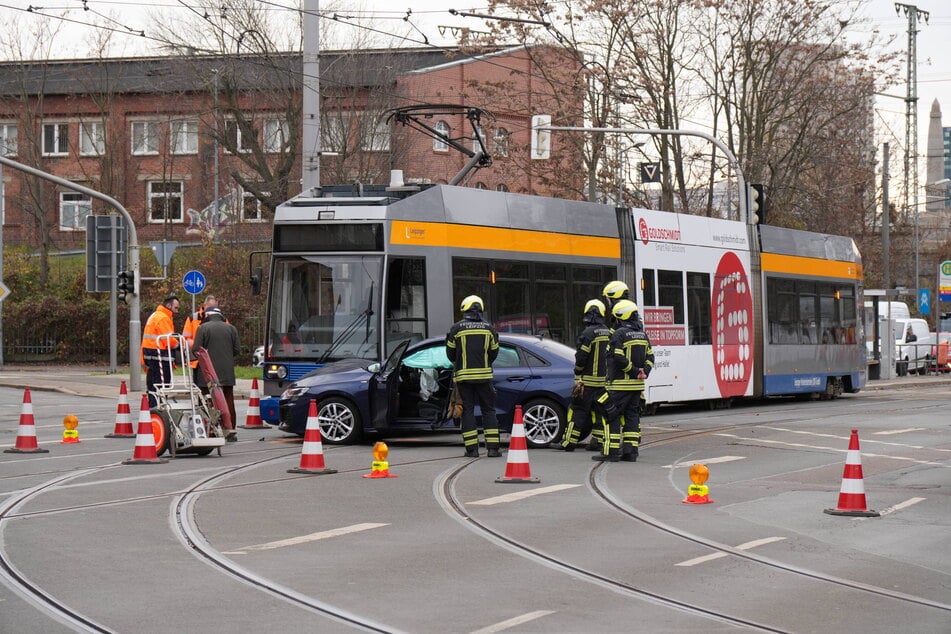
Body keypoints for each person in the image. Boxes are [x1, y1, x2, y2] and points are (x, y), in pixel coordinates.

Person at [594, 299, 653, 462]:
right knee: (632, 417)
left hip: (620, 385)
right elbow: (650, 357)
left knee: (610, 414)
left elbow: (618, 357)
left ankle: (611, 452)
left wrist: (633, 372)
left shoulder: (619, 333)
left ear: (620, 316)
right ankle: (631, 452)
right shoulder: (642, 334)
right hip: (637, 386)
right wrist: (644, 373)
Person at [446, 295, 501, 458]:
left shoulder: (456, 328)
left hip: (463, 378)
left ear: (465, 309)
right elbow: (494, 353)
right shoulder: (489, 328)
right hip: (484, 378)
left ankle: (472, 450)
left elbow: (450, 354)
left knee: (467, 411)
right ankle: (492, 449)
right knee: (489, 410)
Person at [557, 299, 611, 451]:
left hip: (586, 382)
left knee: (577, 412)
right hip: (603, 384)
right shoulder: (608, 332)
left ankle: (569, 442)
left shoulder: (587, 333)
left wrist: (578, 371)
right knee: (600, 413)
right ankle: (597, 442)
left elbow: (581, 357)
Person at [193, 307, 241, 441]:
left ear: (208, 315)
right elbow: (237, 350)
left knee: (208, 400)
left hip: (207, 373)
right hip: (227, 372)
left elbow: (196, 349)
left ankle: (211, 431)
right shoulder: (231, 328)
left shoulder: (203, 328)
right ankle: (230, 429)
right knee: (228, 400)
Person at [141, 293, 181, 407]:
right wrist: (180, 346)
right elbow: (169, 339)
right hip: (159, 355)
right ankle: (159, 409)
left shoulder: (155, 315)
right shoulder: (163, 317)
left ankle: (152, 409)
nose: (177, 311)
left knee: (153, 385)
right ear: (169, 306)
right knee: (162, 385)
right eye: (176, 308)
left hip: (150, 355)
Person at [182, 295, 219, 378]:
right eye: (211, 307)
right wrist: (196, 346)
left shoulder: (221, 318)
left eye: (214, 307)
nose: (213, 309)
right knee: (199, 382)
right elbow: (185, 339)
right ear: (204, 305)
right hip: (197, 357)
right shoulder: (193, 318)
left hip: (214, 356)